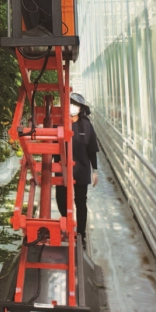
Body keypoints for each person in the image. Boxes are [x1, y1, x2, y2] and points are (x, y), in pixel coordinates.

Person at [55, 92, 99, 249]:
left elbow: (92, 150)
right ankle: (68, 224)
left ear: (81, 109)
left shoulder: (86, 126)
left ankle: (81, 235)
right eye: (71, 103)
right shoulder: (59, 124)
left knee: (81, 202)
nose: (73, 107)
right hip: (62, 169)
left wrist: (95, 170)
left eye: (76, 104)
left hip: (81, 169)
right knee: (60, 198)